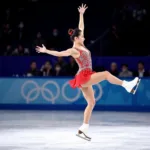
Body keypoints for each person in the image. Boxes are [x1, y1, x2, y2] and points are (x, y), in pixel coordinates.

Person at [36, 4, 141, 141]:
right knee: (106, 74)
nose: (84, 37)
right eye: (81, 37)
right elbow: (60, 53)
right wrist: (46, 51)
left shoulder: (82, 44)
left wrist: (81, 14)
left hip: (85, 75)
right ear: (76, 38)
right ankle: (127, 85)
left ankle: (82, 129)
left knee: (91, 103)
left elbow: (81, 28)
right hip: (84, 75)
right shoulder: (74, 49)